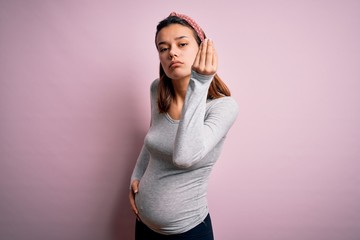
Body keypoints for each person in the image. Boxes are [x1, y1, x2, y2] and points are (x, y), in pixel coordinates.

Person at [129, 12, 238, 240]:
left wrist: (199, 82)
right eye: (163, 48)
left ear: (201, 49)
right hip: (144, 225)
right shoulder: (157, 91)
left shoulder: (223, 108)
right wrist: (135, 177)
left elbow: (185, 156)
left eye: (182, 44)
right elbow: (151, 139)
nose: (172, 53)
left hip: (187, 233)